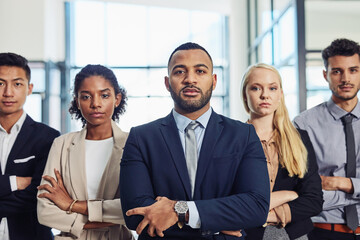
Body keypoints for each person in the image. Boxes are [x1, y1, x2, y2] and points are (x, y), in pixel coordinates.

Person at [120, 42, 270, 240]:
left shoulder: (243, 135)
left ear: (214, 81)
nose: (190, 79)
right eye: (180, 72)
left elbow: (256, 207)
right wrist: (214, 224)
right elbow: (135, 213)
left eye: (200, 71)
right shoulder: (141, 137)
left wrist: (179, 210)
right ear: (167, 83)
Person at [37, 64, 133, 240]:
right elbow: (45, 211)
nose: (96, 104)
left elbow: (134, 208)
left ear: (117, 99)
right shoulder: (61, 144)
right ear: (77, 101)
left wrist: (71, 205)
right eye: (86, 96)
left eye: (104, 95)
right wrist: (103, 219)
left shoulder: (133, 144)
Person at [241, 63, 323, 240]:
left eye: (272, 88)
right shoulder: (233, 140)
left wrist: (266, 215)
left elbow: (314, 200)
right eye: (256, 88)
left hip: (295, 234)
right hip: (247, 236)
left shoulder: (299, 139)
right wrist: (288, 195)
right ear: (245, 95)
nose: (265, 95)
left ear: (280, 95)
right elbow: (230, 201)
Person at [293, 38, 360, 240]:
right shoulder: (303, 124)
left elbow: (322, 190)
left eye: (353, 70)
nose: (345, 78)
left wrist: (341, 183)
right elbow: (304, 191)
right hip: (323, 231)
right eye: (337, 71)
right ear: (325, 75)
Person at [0, 52, 60, 239]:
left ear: (29, 88)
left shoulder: (48, 138)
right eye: (0, 83)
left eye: (17, 84)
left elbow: (41, 196)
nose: (8, 92)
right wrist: (16, 181)